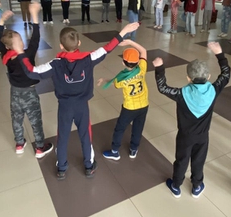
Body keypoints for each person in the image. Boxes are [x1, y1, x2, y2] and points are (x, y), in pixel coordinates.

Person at [17, 21, 140, 179]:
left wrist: (20, 52)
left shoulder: (55, 64)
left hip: (65, 107)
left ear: (61, 46)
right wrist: (124, 31)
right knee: (85, 135)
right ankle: (89, 166)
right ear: (79, 43)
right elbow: (107, 48)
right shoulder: (89, 58)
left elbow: (32, 72)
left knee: (63, 136)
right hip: (82, 106)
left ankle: (61, 168)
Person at [156, 42, 230, 198]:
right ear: (208, 77)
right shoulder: (213, 90)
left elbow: (162, 88)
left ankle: (176, 185)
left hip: (184, 136)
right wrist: (219, 54)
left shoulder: (181, 94)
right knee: (199, 161)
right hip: (203, 136)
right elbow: (226, 75)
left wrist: (159, 68)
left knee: (181, 160)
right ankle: (197, 186)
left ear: (188, 78)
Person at [0, 3, 54, 159]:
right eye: (19, 40)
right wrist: (34, 15)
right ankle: (40, 147)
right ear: (14, 45)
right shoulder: (27, 55)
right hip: (30, 94)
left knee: (17, 119)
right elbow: (35, 38)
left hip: (15, 92)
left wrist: (1, 21)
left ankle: (19, 144)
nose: (21, 42)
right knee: (35, 121)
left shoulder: (5, 55)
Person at [98, 41, 149, 160]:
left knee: (120, 129)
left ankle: (115, 151)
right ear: (138, 61)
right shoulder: (142, 68)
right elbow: (143, 51)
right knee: (138, 128)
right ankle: (133, 150)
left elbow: (114, 82)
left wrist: (105, 80)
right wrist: (130, 42)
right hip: (144, 105)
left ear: (123, 63)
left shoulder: (121, 80)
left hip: (129, 108)